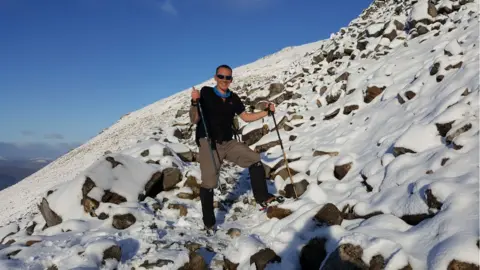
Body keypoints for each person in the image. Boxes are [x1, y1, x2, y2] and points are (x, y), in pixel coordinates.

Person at [189, 64, 277, 234]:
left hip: (228, 142)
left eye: (228, 77)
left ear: (231, 80)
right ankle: (209, 223)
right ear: (215, 77)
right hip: (208, 142)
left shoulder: (233, 98)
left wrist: (266, 113)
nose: (224, 80)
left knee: (255, 159)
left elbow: (246, 117)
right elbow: (194, 119)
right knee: (210, 182)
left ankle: (263, 198)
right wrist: (194, 101)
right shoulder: (206, 92)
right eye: (221, 76)